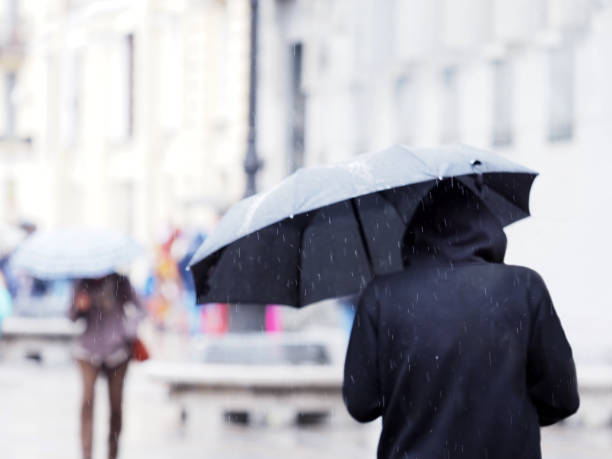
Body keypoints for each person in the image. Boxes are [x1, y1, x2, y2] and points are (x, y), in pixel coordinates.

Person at [343, 180, 579, 459]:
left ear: (416, 231)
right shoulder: (523, 286)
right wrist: (506, 418)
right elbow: (562, 398)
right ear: (487, 227)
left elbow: (362, 404)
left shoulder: (382, 294)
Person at [69, 273, 145, 459]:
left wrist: (128, 330)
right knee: (87, 401)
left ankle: (113, 452)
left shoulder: (121, 281)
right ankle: (86, 454)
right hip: (88, 350)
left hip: (117, 349)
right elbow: (71, 315)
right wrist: (79, 307)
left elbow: (141, 309)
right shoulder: (82, 282)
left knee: (116, 405)